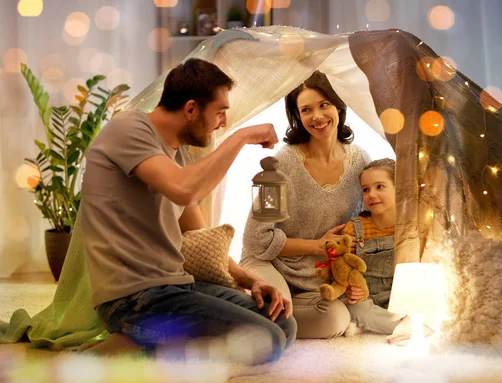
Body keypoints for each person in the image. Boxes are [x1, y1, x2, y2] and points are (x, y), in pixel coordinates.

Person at [79, 58, 296, 365]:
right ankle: (131, 343)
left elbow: (198, 235)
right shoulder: (128, 128)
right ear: (191, 109)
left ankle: (151, 342)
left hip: (174, 287)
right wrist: (242, 136)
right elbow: (184, 189)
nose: (223, 121)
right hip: (132, 299)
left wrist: (251, 281)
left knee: (282, 324)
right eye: (220, 112)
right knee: (267, 341)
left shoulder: (175, 154)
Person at [241, 71, 372, 339]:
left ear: (338, 106)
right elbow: (256, 238)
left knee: (335, 319)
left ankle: (258, 312)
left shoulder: (361, 162)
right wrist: (317, 245)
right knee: (278, 303)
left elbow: (363, 225)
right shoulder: (282, 164)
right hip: (269, 262)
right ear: (298, 117)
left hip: (319, 277)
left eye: (324, 105)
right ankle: (257, 306)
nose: (317, 117)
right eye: (306, 110)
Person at [339, 158, 403, 336]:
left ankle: (369, 324)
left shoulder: (408, 226)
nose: (371, 195)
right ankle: (402, 327)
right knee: (354, 308)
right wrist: (351, 288)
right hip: (367, 295)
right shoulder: (355, 227)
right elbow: (344, 268)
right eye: (365, 189)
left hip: (398, 292)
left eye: (380, 187)